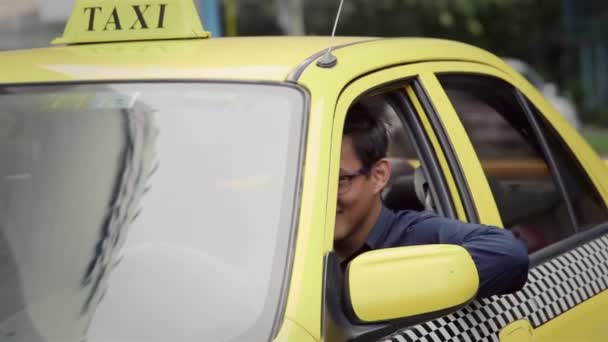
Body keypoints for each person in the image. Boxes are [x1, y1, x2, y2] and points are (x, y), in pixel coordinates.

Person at [335, 103, 529, 298]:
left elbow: (509, 252)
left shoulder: (417, 237)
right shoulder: (304, 255)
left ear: (378, 176)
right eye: (304, 182)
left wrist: (397, 285)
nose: (322, 201)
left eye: (339, 180)